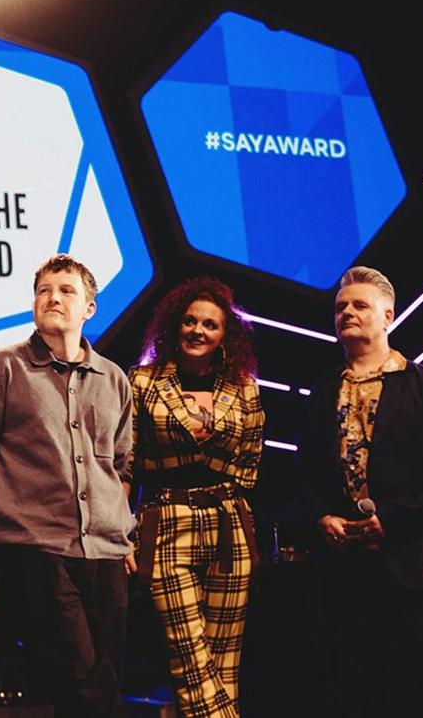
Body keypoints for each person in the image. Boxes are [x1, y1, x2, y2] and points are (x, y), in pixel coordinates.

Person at [0, 253, 136, 717]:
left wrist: (119, 527)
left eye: (66, 290)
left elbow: (120, 465)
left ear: (90, 308)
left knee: (105, 676)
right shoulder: (4, 369)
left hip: (106, 553)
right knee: (83, 680)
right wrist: (4, 527)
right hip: (36, 550)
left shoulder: (113, 378)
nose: (52, 298)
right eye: (43, 291)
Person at [295, 266, 423, 717]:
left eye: (359, 305)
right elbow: (303, 474)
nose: (347, 313)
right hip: (348, 573)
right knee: (357, 694)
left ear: (388, 316)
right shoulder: (323, 394)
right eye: (341, 307)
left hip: (422, 566)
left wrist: (392, 517)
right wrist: (322, 517)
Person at [129, 277, 264, 718]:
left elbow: (250, 462)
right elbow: (126, 463)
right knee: (191, 660)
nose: (198, 330)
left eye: (210, 324)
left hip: (229, 525)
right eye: (190, 320)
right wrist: (123, 533)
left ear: (226, 336)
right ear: (174, 324)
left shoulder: (244, 387)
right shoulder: (143, 382)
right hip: (166, 521)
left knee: (225, 665)